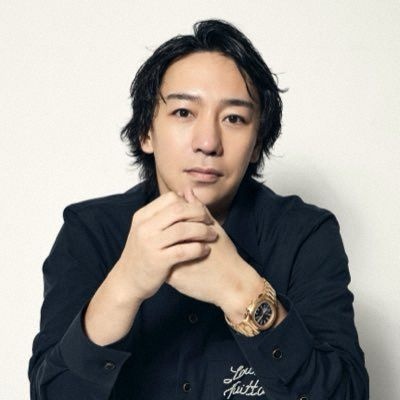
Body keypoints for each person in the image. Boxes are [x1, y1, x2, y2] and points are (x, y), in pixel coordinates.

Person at [28, 19, 369, 400]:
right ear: (145, 132)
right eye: (183, 113)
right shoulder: (90, 231)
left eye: (234, 118)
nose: (208, 142)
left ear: (257, 143)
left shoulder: (304, 234)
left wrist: (243, 292)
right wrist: (124, 286)